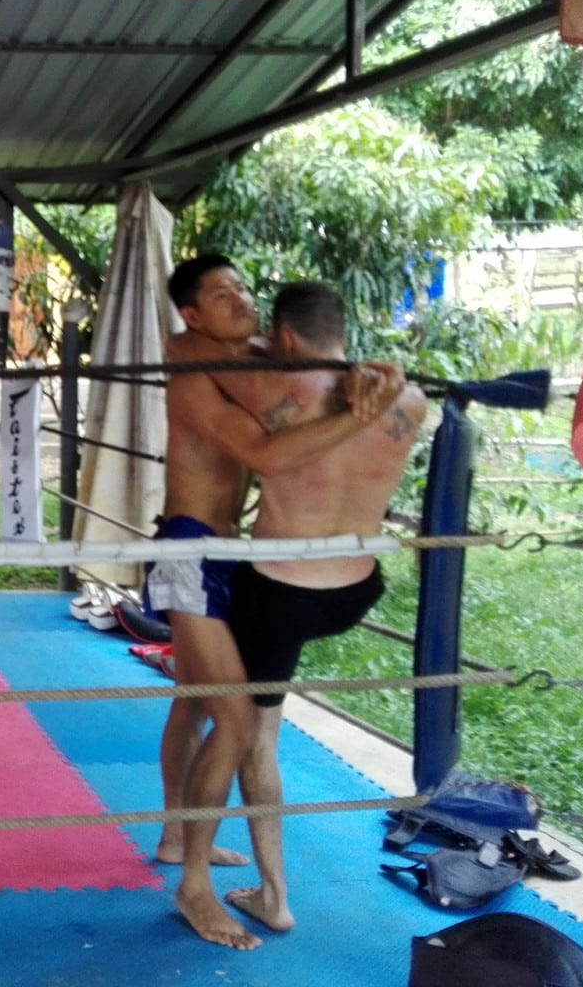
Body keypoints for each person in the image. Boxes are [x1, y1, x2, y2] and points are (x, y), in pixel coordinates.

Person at [151, 255, 403, 950]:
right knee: (234, 721)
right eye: (219, 293)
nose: (239, 299)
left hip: (233, 556)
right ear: (193, 315)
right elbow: (267, 454)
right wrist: (364, 410)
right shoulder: (189, 359)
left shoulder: (257, 356)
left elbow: (316, 354)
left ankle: (177, 833)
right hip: (190, 549)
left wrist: (369, 371)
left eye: (242, 287)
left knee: (196, 702)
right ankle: (194, 886)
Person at [214, 282, 427, 940]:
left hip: (280, 588)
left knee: (257, 738)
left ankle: (273, 894)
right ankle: (251, 875)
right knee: (247, 722)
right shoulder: (408, 399)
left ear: (281, 336)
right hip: (356, 587)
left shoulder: (268, 391)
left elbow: (207, 350)